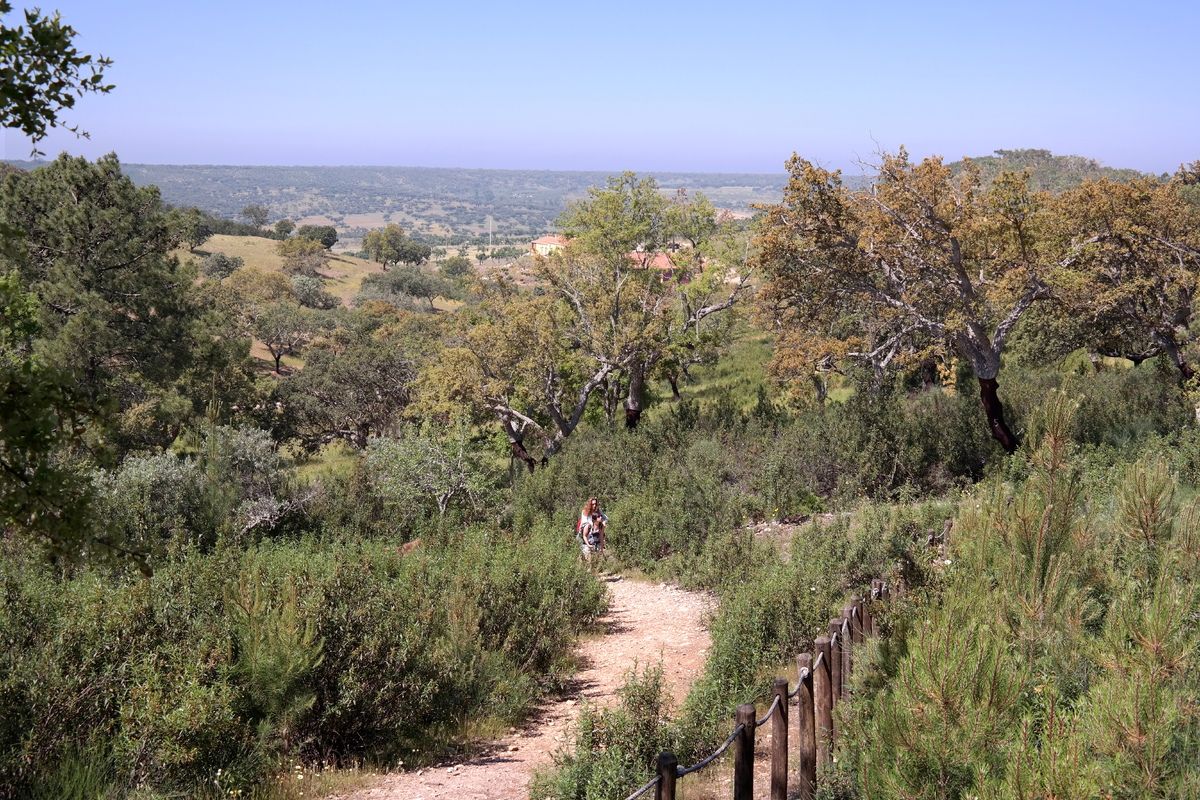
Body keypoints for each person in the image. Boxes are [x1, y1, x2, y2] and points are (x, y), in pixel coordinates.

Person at [576, 497, 607, 570]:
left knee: (591, 559)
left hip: (592, 536)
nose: (594, 506)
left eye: (595, 504)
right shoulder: (585, 512)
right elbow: (585, 524)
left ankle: (591, 574)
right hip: (584, 537)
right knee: (584, 558)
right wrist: (596, 521)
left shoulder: (598, 512)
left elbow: (605, 518)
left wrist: (603, 522)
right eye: (593, 504)